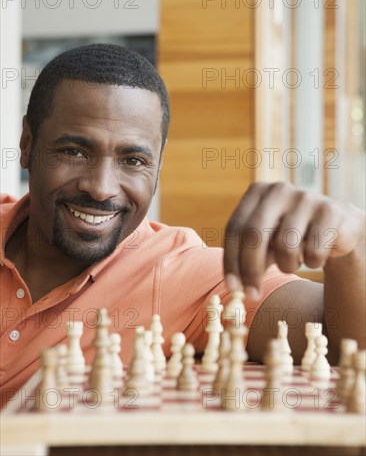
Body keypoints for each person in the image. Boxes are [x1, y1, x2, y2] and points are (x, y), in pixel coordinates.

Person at [0, 44, 364, 406]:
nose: (101, 187)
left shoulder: (179, 271)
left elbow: (337, 335)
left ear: (158, 163)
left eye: (133, 160)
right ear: (27, 144)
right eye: (74, 152)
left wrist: (353, 245)